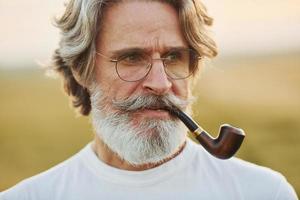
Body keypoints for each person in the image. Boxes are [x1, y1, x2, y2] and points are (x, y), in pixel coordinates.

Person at [1, 0, 298, 199]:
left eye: (173, 57)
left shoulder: (262, 193)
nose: (160, 83)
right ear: (81, 69)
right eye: (131, 58)